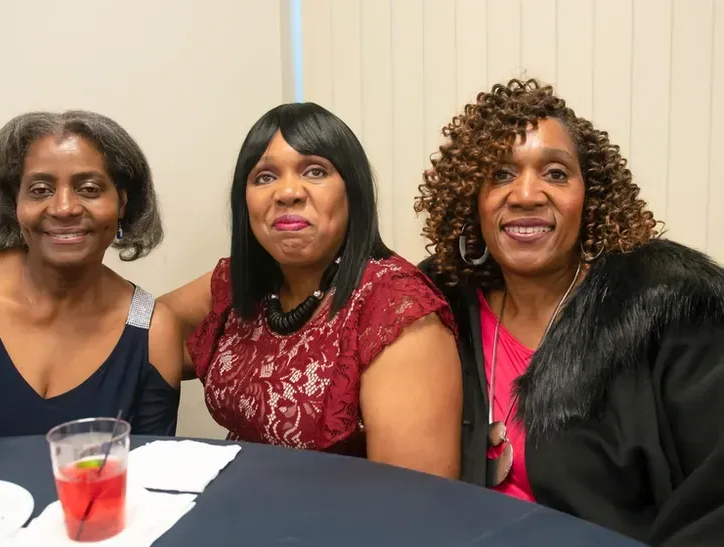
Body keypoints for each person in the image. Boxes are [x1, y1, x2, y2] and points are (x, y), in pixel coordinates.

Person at [416, 78, 724, 544]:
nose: (525, 195)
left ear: (591, 198)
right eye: (500, 173)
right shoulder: (438, 305)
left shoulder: (671, 308)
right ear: (470, 201)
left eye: (556, 173)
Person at [159, 102, 462, 478]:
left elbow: (413, 506)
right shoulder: (238, 285)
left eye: (315, 171)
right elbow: (140, 329)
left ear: (353, 192)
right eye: (265, 176)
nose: (287, 193)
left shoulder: (396, 309)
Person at [0, 110, 182, 443]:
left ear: (121, 202)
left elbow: (147, 472)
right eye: (39, 190)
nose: (64, 208)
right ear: (15, 204)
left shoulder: (152, 332)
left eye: (90, 189)